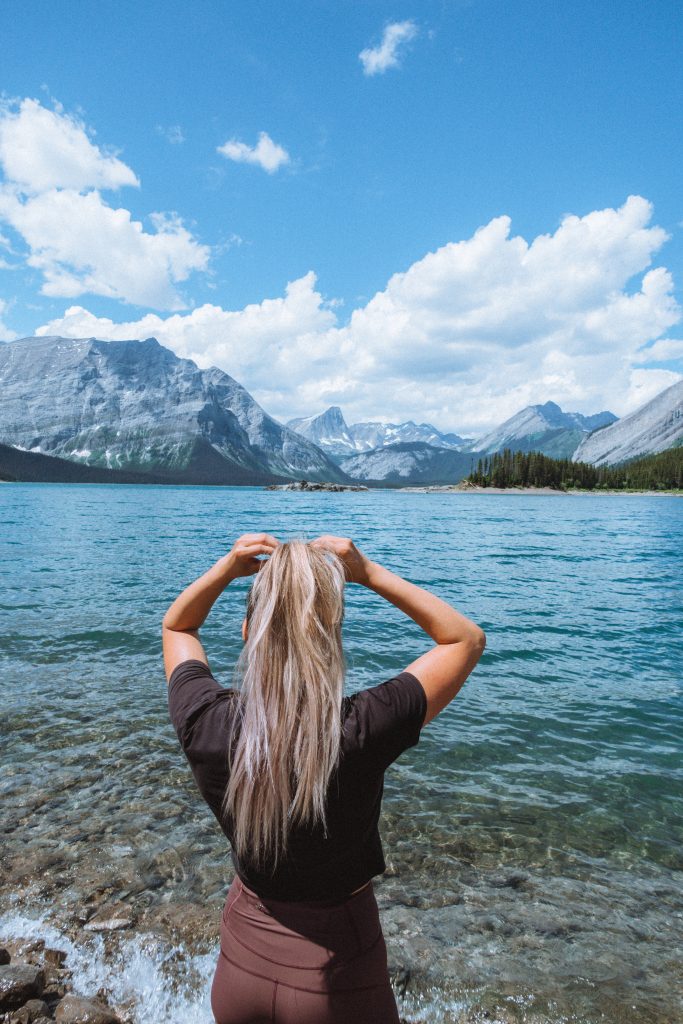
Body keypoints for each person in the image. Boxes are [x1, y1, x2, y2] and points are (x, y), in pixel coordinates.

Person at [162, 532, 486, 1024]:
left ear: (249, 629)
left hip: (238, 971)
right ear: (330, 633)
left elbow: (178, 625)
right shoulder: (362, 729)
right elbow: (464, 638)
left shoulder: (208, 722)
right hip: (337, 979)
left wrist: (227, 569)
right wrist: (368, 572)